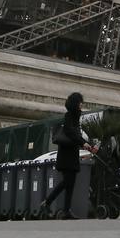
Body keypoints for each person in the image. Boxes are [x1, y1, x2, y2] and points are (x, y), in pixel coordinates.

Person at [42, 91, 97, 219]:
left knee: (70, 183)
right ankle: (47, 202)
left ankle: (66, 210)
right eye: (79, 103)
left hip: (72, 153)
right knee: (67, 181)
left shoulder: (75, 117)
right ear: (75, 104)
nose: (81, 105)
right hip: (66, 154)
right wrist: (84, 143)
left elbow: (76, 135)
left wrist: (86, 144)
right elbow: (71, 133)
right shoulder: (69, 116)